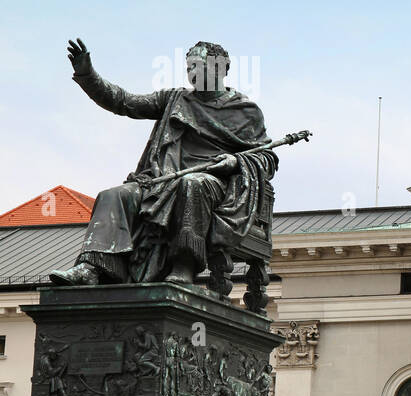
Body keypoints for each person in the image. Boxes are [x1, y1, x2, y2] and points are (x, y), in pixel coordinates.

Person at [50, 39, 277, 287]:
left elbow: (266, 158)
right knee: (113, 195)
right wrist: (87, 74)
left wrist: (234, 161)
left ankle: (184, 266)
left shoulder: (245, 111)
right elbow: (123, 102)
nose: (191, 73)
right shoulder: (175, 99)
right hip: (162, 180)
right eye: (188, 67)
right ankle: (94, 267)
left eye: (197, 66)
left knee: (192, 184)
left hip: (215, 186)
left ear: (218, 69)